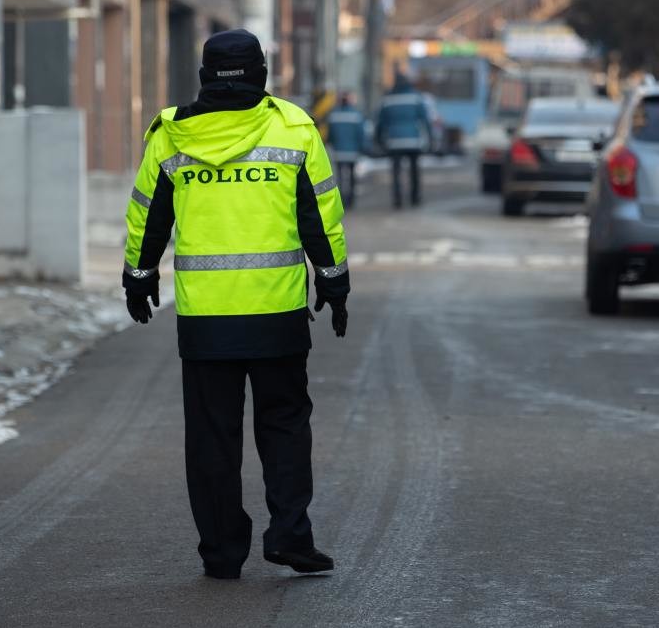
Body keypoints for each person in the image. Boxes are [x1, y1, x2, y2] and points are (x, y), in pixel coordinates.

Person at [122, 29, 349, 580]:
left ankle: (223, 553)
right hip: (277, 314)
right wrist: (334, 282)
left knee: (211, 438)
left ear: (204, 75)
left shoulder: (171, 135)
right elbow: (320, 215)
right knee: (285, 426)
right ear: (261, 73)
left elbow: (148, 214)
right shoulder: (294, 128)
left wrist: (139, 274)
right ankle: (291, 536)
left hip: (206, 320)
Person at [375, 72, 431, 208]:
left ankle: (397, 199)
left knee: (396, 172)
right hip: (413, 141)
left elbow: (381, 122)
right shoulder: (416, 97)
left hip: (394, 142)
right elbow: (425, 119)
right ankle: (415, 197)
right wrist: (430, 136)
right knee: (414, 171)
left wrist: (378, 139)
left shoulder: (388, 99)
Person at [325, 92, 365, 208]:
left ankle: (342, 198)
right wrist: (361, 147)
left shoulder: (334, 115)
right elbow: (360, 134)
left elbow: (330, 135)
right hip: (352, 152)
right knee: (352, 175)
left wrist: (332, 144)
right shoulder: (356, 115)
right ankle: (351, 199)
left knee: (341, 176)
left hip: (339, 152)